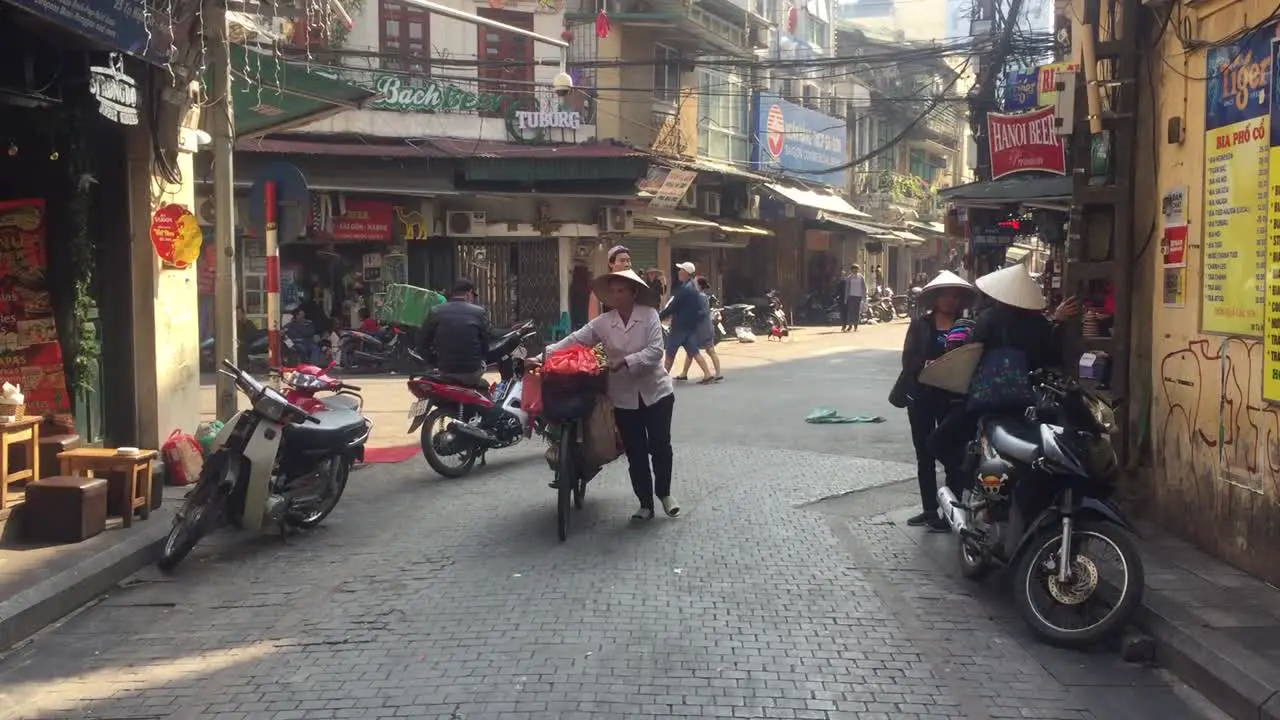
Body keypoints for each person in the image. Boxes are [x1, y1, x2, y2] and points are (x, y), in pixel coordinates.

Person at [536, 269, 680, 520]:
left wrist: (625, 361)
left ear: (633, 292)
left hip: (656, 393)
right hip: (623, 397)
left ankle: (665, 493)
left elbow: (656, 351)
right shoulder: (604, 322)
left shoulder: (649, 316)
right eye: (612, 291)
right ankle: (645, 503)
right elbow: (575, 340)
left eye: (621, 290)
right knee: (635, 452)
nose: (616, 295)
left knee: (659, 445)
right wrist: (541, 357)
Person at [928, 264, 1081, 475]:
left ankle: (970, 478)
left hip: (985, 401)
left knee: (938, 441)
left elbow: (969, 354)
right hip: (1023, 402)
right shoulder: (1038, 324)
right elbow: (1050, 356)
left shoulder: (988, 319)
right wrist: (1056, 322)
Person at [894, 271, 974, 531]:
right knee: (924, 455)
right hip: (921, 396)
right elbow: (908, 359)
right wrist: (925, 365)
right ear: (936, 298)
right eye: (945, 295)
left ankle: (952, 508)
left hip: (952, 399)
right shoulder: (920, 324)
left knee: (952, 454)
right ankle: (930, 510)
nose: (950, 300)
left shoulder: (967, 326)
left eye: (955, 296)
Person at [419, 278, 491, 393]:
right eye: (473, 296)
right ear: (468, 294)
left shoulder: (436, 311)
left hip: (445, 369)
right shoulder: (479, 312)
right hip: (471, 371)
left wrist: (435, 361)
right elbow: (485, 345)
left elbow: (422, 343)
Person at [660, 262, 714, 383]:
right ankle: (708, 374)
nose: (679, 273)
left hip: (679, 326)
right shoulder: (693, 288)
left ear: (685, 273)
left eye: (681, 270)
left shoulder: (684, 289)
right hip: (689, 326)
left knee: (670, 352)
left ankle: (662, 379)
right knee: (694, 351)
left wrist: (659, 317)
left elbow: (673, 307)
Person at [679, 276, 724, 382]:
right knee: (706, 350)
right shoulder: (701, 296)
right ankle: (684, 373)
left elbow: (702, 312)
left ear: (698, 285)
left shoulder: (700, 296)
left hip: (701, 328)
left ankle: (708, 374)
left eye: (694, 282)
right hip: (706, 326)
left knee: (693, 350)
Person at [841, 264, 867, 332]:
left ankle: (856, 325)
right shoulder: (849, 277)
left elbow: (864, 287)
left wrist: (864, 297)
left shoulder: (861, 277)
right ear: (851, 270)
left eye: (857, 269)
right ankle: (850, 325)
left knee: (857, 311)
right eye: (854, 269)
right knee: (850, 311)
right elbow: (847, 288)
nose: (855, 270)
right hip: (851, 296)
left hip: (858, 296)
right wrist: (846, 299)